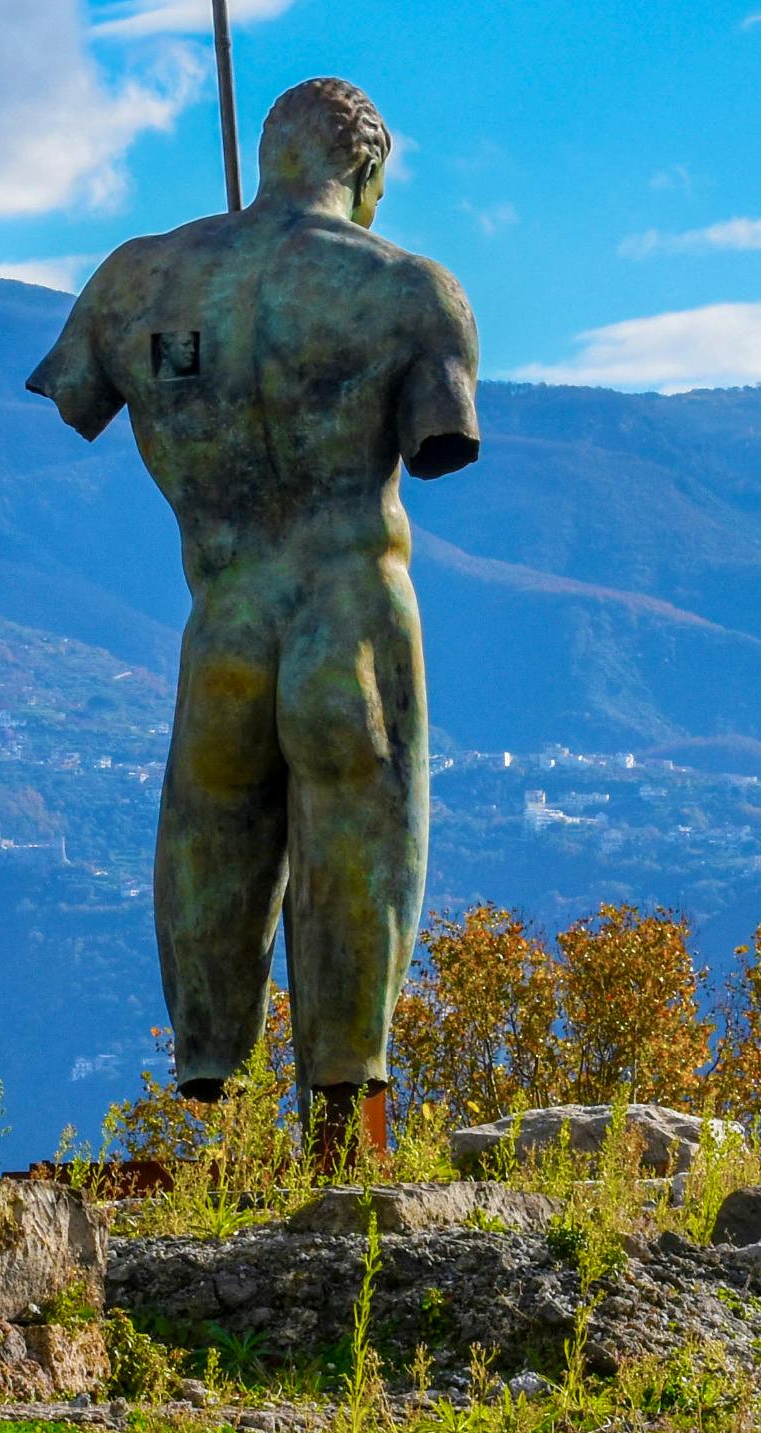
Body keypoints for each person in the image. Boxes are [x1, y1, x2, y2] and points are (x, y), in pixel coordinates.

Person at [25, 76, 480, 1165]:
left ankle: (204, 1104)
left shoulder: (139, 279)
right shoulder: (409, 290)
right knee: (358, 847)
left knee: (206, 839)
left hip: (223, 616)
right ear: (365, 172)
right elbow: (439, 443)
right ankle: (344, 1125)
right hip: (349, 611)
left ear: (269, 151)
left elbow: (78, 398)